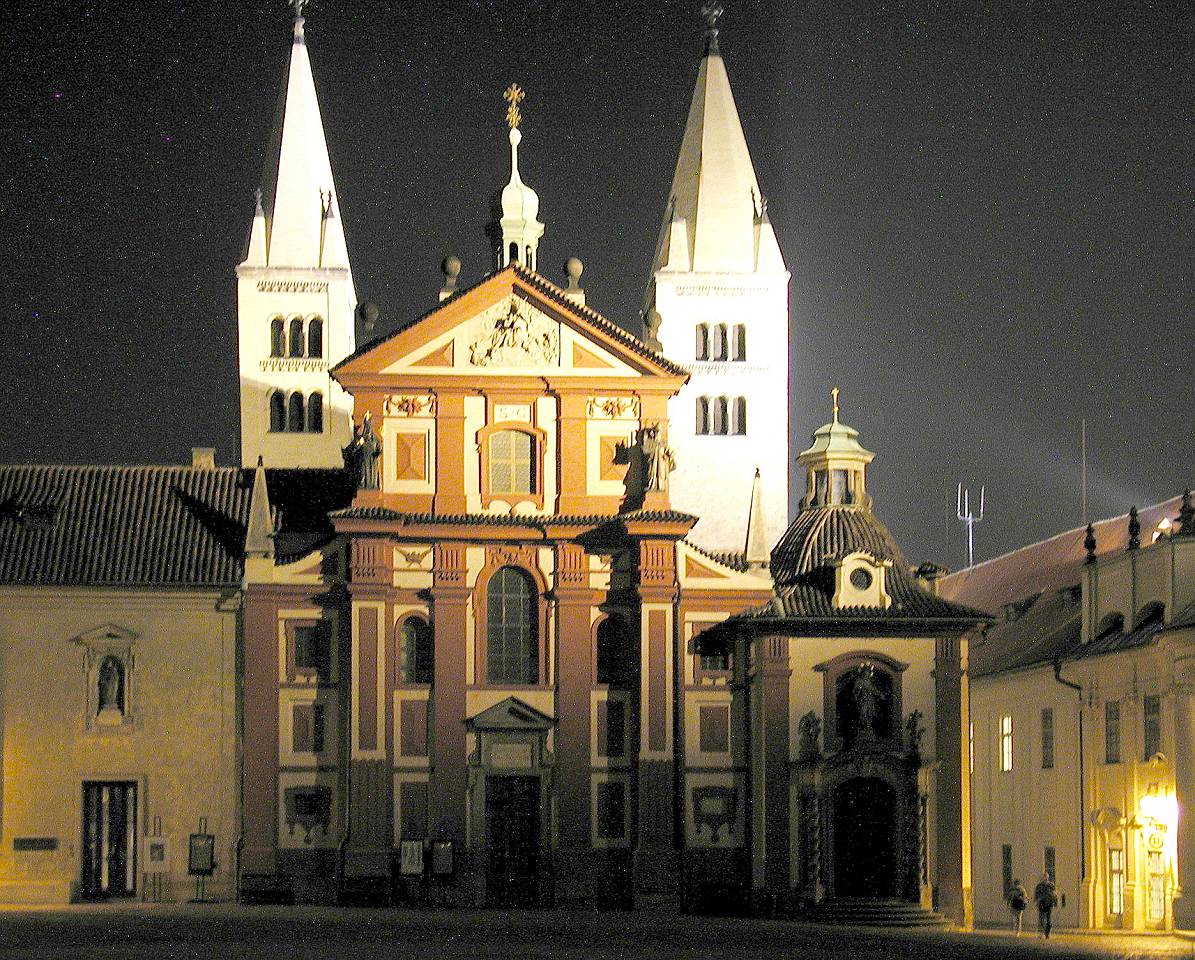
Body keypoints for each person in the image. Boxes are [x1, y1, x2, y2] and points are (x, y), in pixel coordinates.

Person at [1034, 872, 1058, 938]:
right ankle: (1041, 933)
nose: (1044, 878)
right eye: (1043, 877)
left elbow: (1054, 894)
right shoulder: (1039, 886)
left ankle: (1047, 933)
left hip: (1049, 903)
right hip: (1041, 903)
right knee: (1041, 918)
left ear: (1048, 878)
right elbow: (1036, 894)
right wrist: (1036, 901)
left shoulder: (1051, 885)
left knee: (1048, 919)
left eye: (1046, 877)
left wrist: (1055, 902)